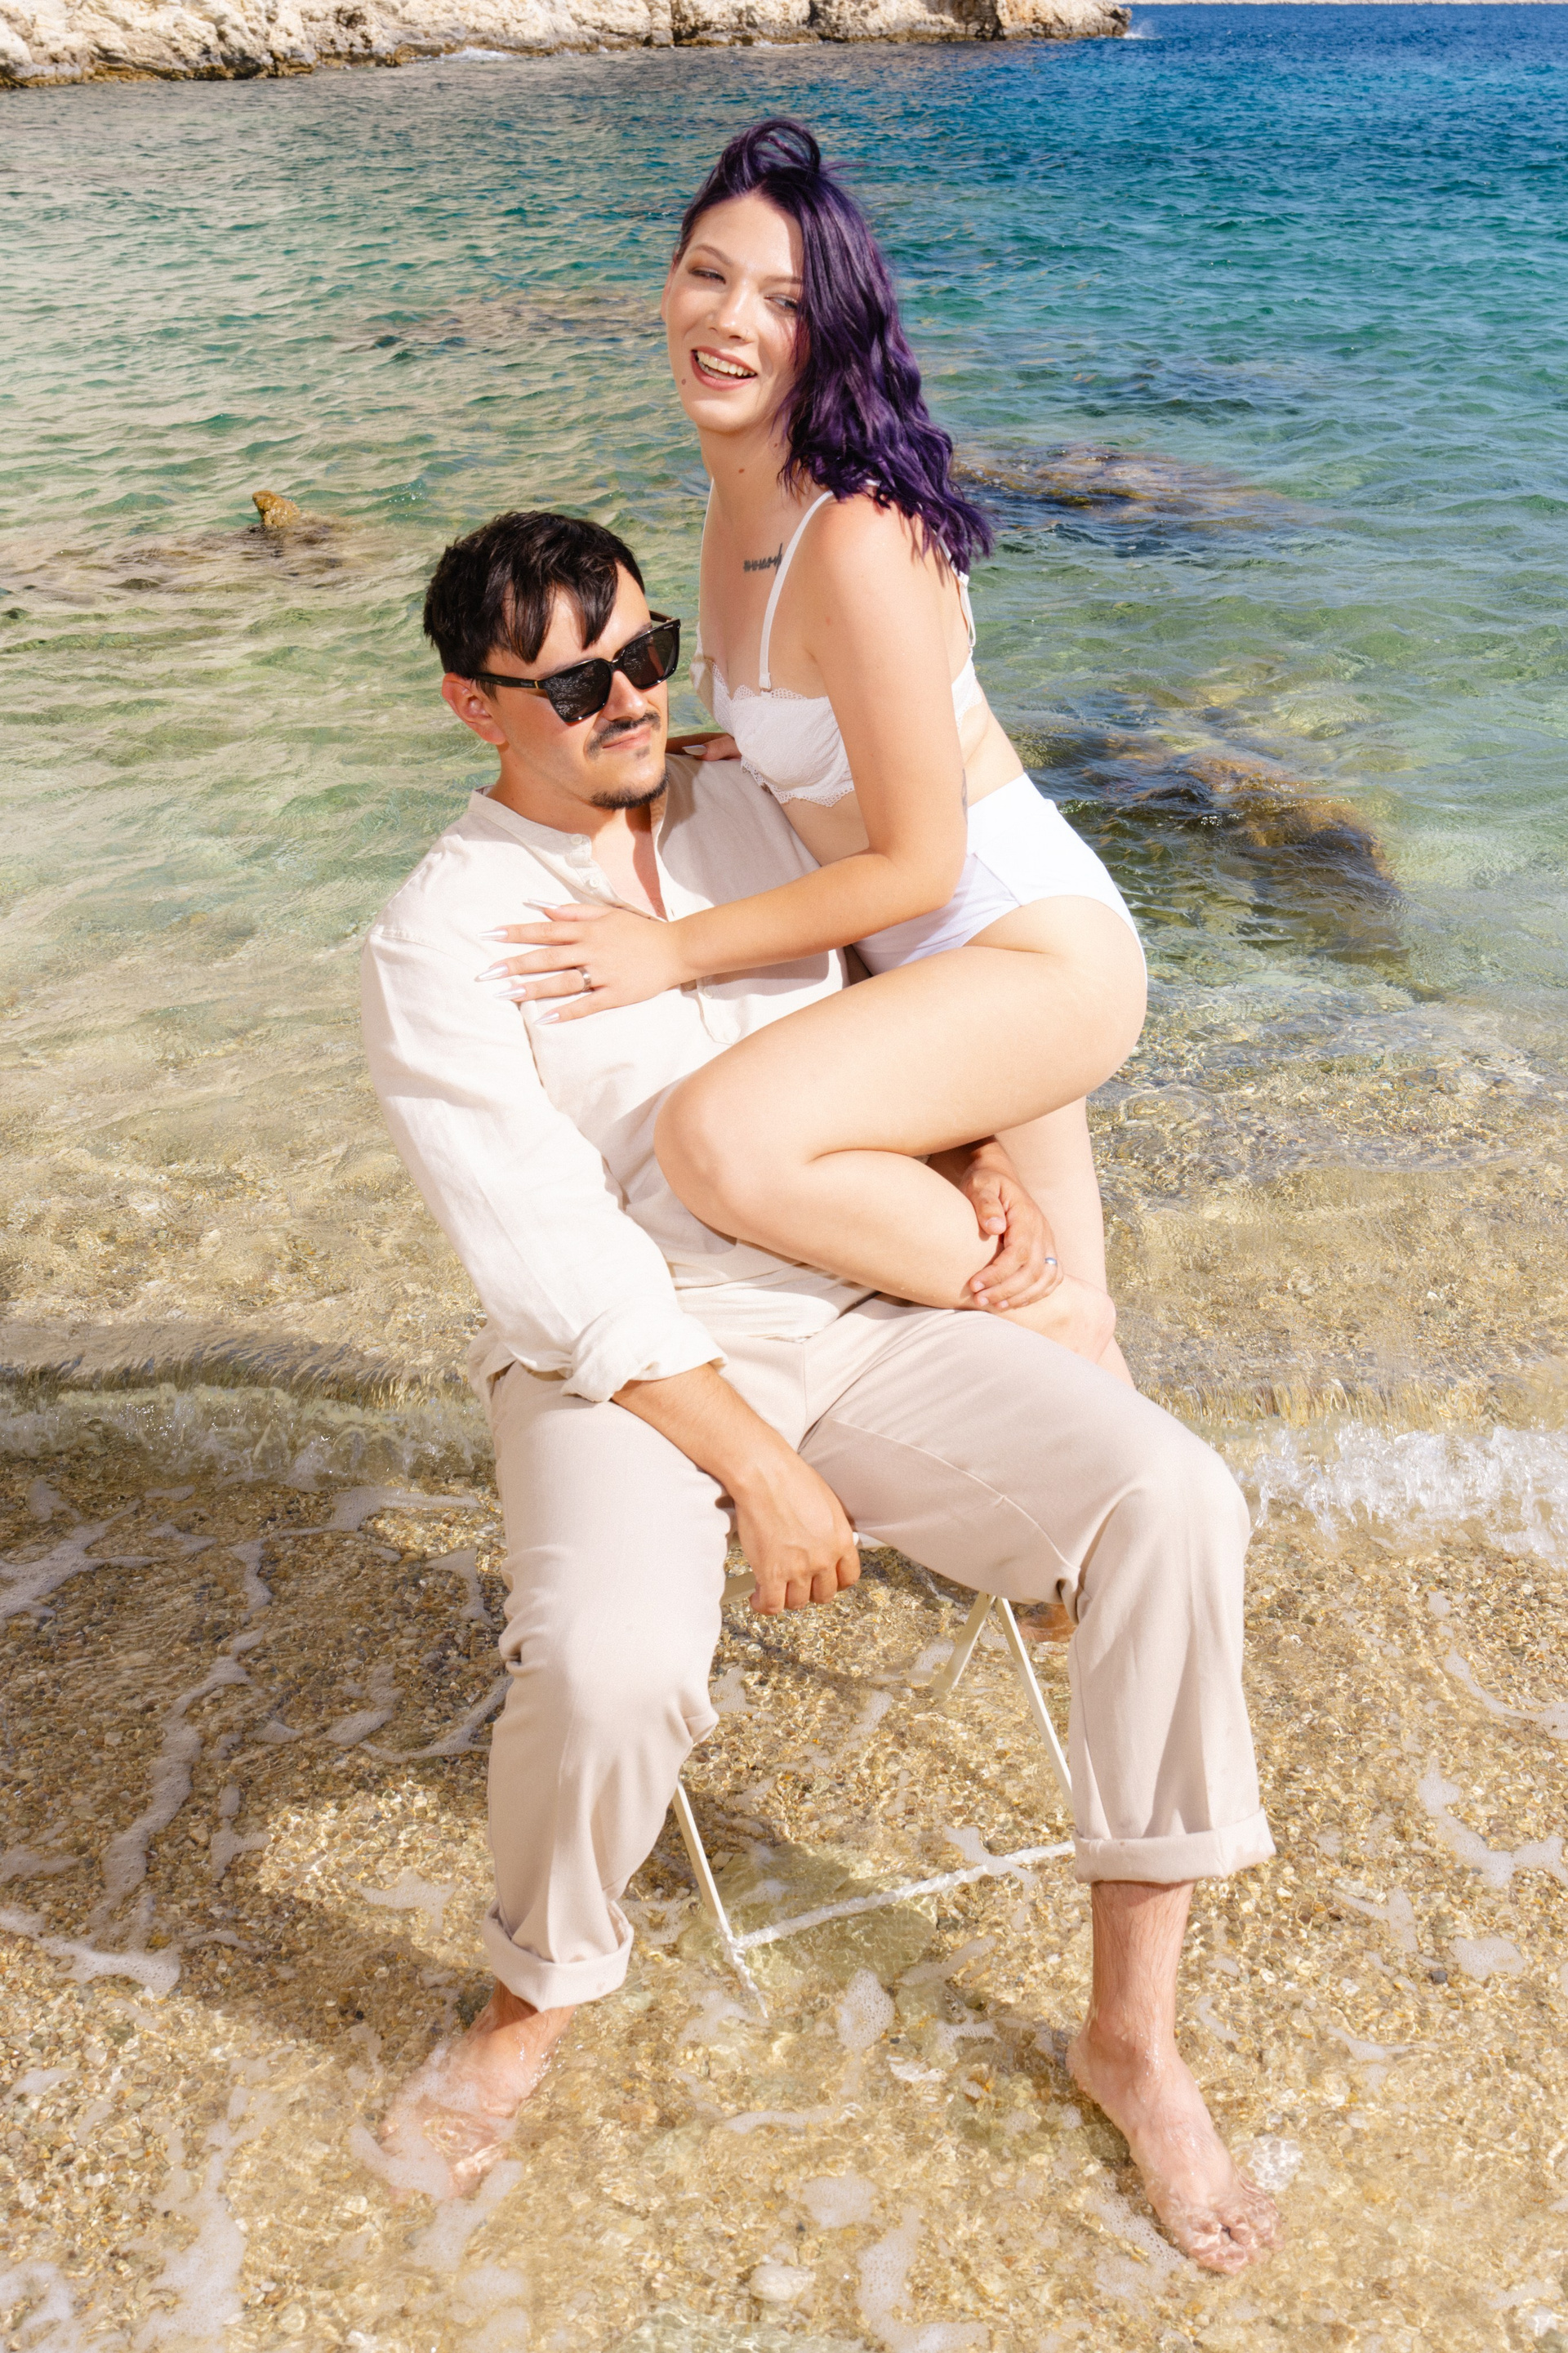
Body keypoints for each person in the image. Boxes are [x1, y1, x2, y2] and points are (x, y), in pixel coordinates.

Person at [359, 508, 1280, 2272]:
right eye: (577, 685)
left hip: (861, 1303)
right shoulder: (438, 936)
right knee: (612, 1664)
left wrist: (982, 1151)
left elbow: (932, 991)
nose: (633, 700)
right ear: (477, 705)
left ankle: (1134, 2041)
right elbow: (549, 1260)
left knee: (1172, 1499)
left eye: (645, 655)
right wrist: (760, 1468)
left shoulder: (753, 809)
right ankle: (533, 1993)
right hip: (628, 1361)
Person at [472, 120, 1147, 1376]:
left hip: (1022, 951)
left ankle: (1057, 1329)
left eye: (782, 300)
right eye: (709, 274)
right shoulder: (739, 494)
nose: (731, 319)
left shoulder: (857, 536)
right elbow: (828, 718)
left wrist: (670, 951)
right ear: (667, 284)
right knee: (1078, 1392)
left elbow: (923, 862)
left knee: (721, 1139)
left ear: (828, 332)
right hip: (929, 970)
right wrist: (733, 749)